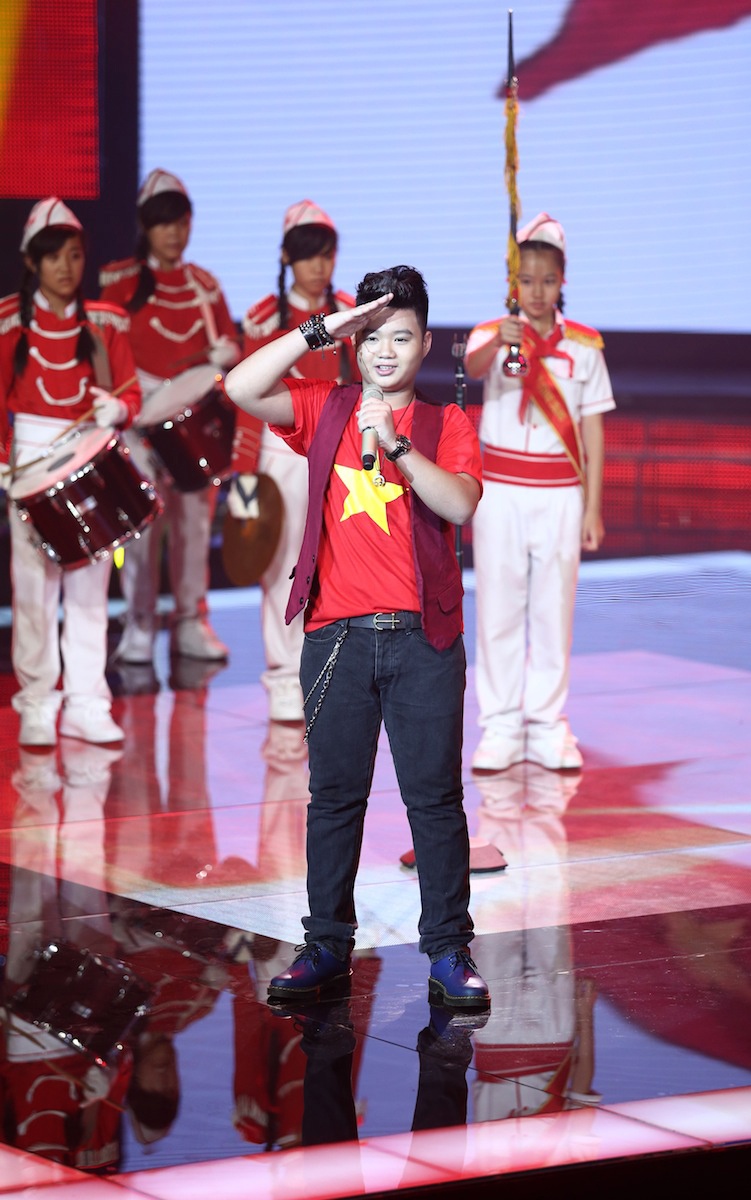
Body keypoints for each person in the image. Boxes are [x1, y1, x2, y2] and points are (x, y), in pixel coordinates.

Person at [225, 265, 490, 1009]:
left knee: (434, 801)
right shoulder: (325, 406)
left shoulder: (445, 423)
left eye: (400, 337)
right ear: (353, 342)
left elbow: (460, 504)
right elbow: (241, 387)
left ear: (425, 344)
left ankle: (449, 949)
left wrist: (396, 446)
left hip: (422, 640)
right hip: (336, 639)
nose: (384, 352)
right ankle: (325, 945)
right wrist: (317, 331)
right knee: (334, 799)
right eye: (371, 337)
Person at [465, 213, 615, 772]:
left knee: (553, 611)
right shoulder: (492, 334)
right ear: (513, 282)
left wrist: (593, 506)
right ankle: (501, 726)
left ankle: (548, 725)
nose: (536, 292)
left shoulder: (585, 347)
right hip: (500, 492)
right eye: (526, 280)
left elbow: (593, 430)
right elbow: (472, 367)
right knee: (499, 609)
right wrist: (498, 343)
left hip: (560, 495)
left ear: (562, 281)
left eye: (547, 281)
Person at [0, 198, 141, 746]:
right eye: (54, 256)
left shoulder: (105, 322)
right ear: (31, 261)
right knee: (34, 589)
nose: (66, 267)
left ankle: (87, 703)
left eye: (75, 255)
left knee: (89, 588)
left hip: (90, 455)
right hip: (30, 458)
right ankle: (38, 703)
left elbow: (130, 392)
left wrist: (118, 409)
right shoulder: (8, 321)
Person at [99, 168, 240, 664]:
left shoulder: (204, 286)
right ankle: (138, 624)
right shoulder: (117, 281)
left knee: (194, 528)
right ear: (145, 225)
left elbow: (228, 345)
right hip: (136, 423)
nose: (174, 233)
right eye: (163, 223)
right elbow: (102, 351)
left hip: (190, 429)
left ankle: (190, 622)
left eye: (181, 222)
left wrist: (227, 353)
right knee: (140, 530)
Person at [231, 199, 358, 721]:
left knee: (339, 561)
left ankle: (329, 666)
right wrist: (243, 488)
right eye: (307, 254)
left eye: (326, 254)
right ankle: (284, 676)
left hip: (340, 452)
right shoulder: (264, 317)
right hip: (279, 454)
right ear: (287, 257)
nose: (318, 265)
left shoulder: (351, 309)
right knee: (282, 562)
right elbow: (246, 404)